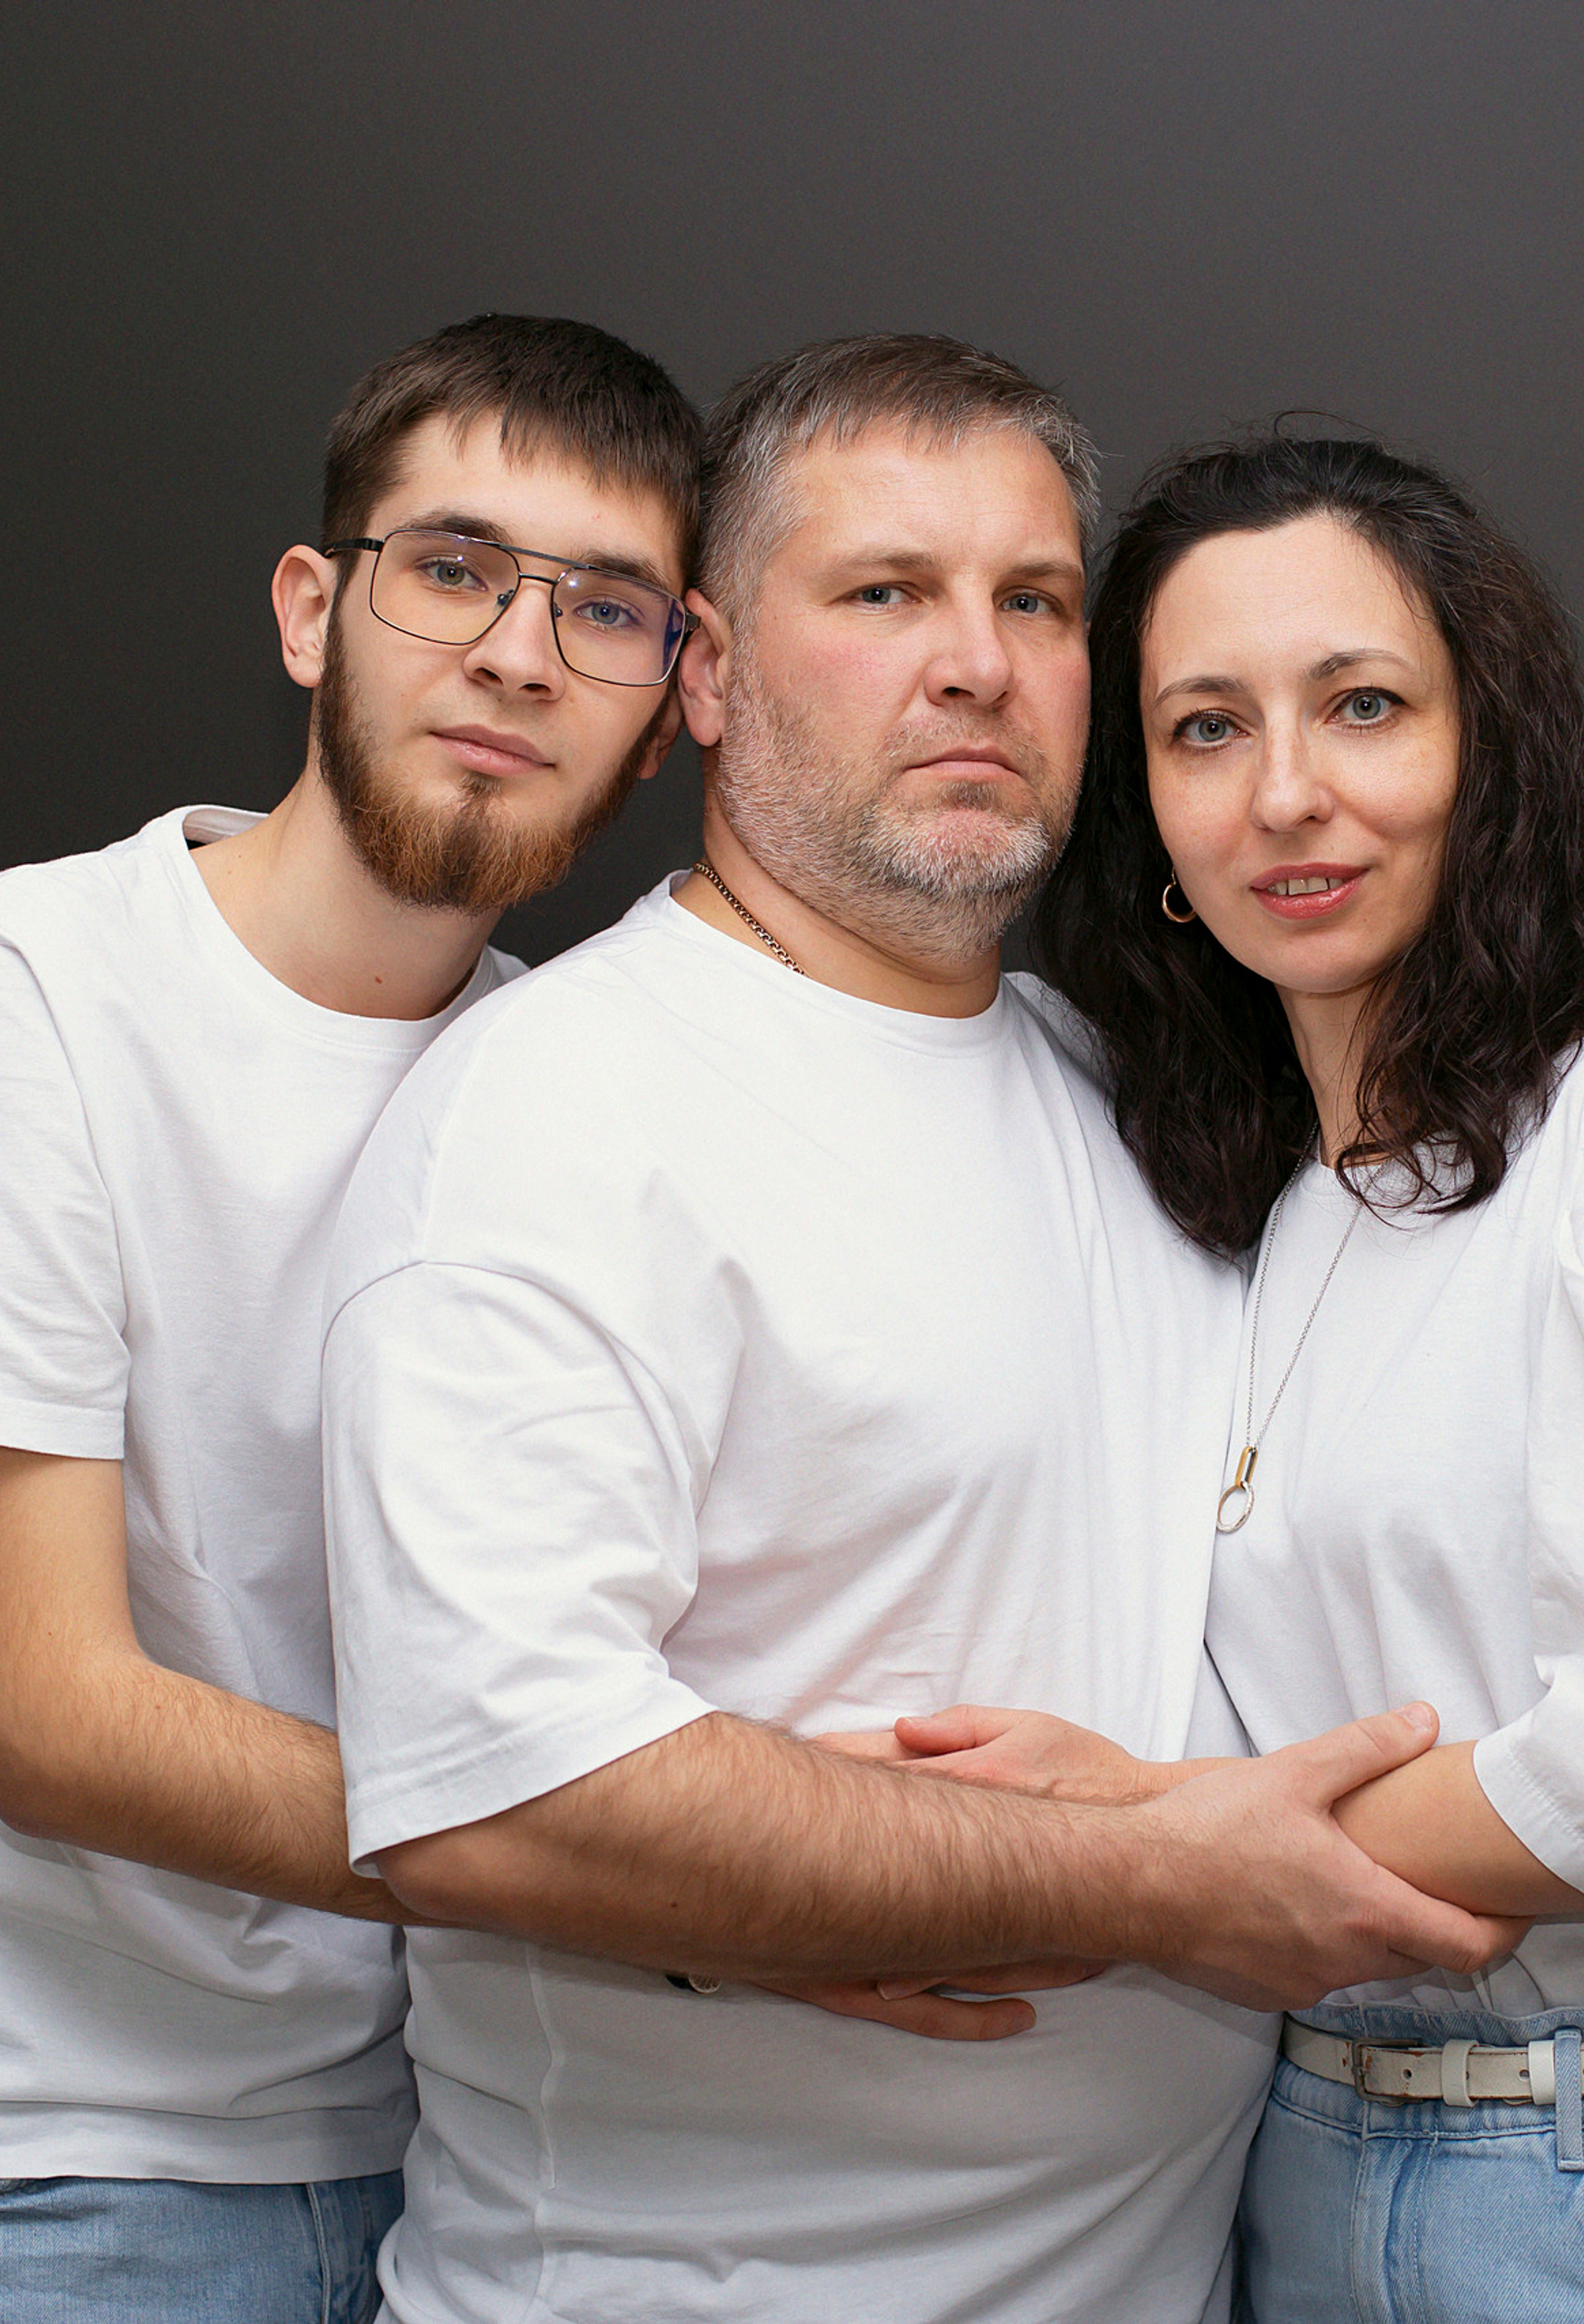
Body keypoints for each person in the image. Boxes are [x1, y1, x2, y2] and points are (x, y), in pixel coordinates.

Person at [318, 336, 1512, 2324]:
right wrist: (1155, 1878)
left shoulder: (1132, 1086)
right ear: (704, 671)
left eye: (1033, 602)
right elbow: (497, 1788)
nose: (974, 662)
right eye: (882, 593)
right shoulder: (559, 1113)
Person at [893, 432, 1584, 2319]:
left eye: (1362, 706)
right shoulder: (1264, 1214)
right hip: (1319, 2162)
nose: (1286, 796)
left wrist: (1144, 1831)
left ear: (1488, 750)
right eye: (1204, 729)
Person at [0, 313, 703, 2323]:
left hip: (457, 2172)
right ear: (315, 610)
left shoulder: (584, 1088)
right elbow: (50, 1717)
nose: (516, 653)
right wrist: (669, 1880)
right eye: (453, 567)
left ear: (665, 714)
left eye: (608, 610)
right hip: (67, 2169)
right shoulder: (24, 990)